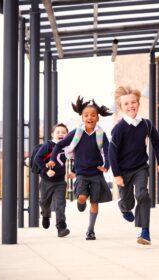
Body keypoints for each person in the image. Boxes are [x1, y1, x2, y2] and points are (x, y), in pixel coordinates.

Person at [108, 86, 159, 245]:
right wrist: (116, 175)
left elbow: (157, 142)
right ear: (121, 107)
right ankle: (123, 206)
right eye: (126, 104)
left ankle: (145, 232)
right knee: (128, 202)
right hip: (123, 171)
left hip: (141, 167)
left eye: (133, 102)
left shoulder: (146, 124)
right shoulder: (119, 129)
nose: (131, 106)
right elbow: (112, 152)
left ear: (138, 103)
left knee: (143, 194)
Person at [48, 96, 113, 241]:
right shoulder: (76, 133)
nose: (90, 117)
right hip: (81, 174)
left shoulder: (101, 134)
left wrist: (107, 165)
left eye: (93, 115)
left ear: (97, 118)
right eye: (86, 115)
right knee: (83, 198)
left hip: (96, 173)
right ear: (82, 117)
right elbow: (59, 145)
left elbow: (108, 151)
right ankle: (80, 201)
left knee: (95, 202)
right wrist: (52, 159)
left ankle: (90, 230)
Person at [34, 123, 72, 237]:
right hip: (47, 181)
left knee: (61, 204)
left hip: (60, 181)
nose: (61, 134)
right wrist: (46, 170)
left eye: (64, 132)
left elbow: (76, 158)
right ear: (53, 134)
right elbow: (37, 158)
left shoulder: (67, 147)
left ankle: (61, 228)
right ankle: (46, 215)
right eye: (58, 132)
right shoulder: (48, 145)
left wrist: (74, 171)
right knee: (45, 203)